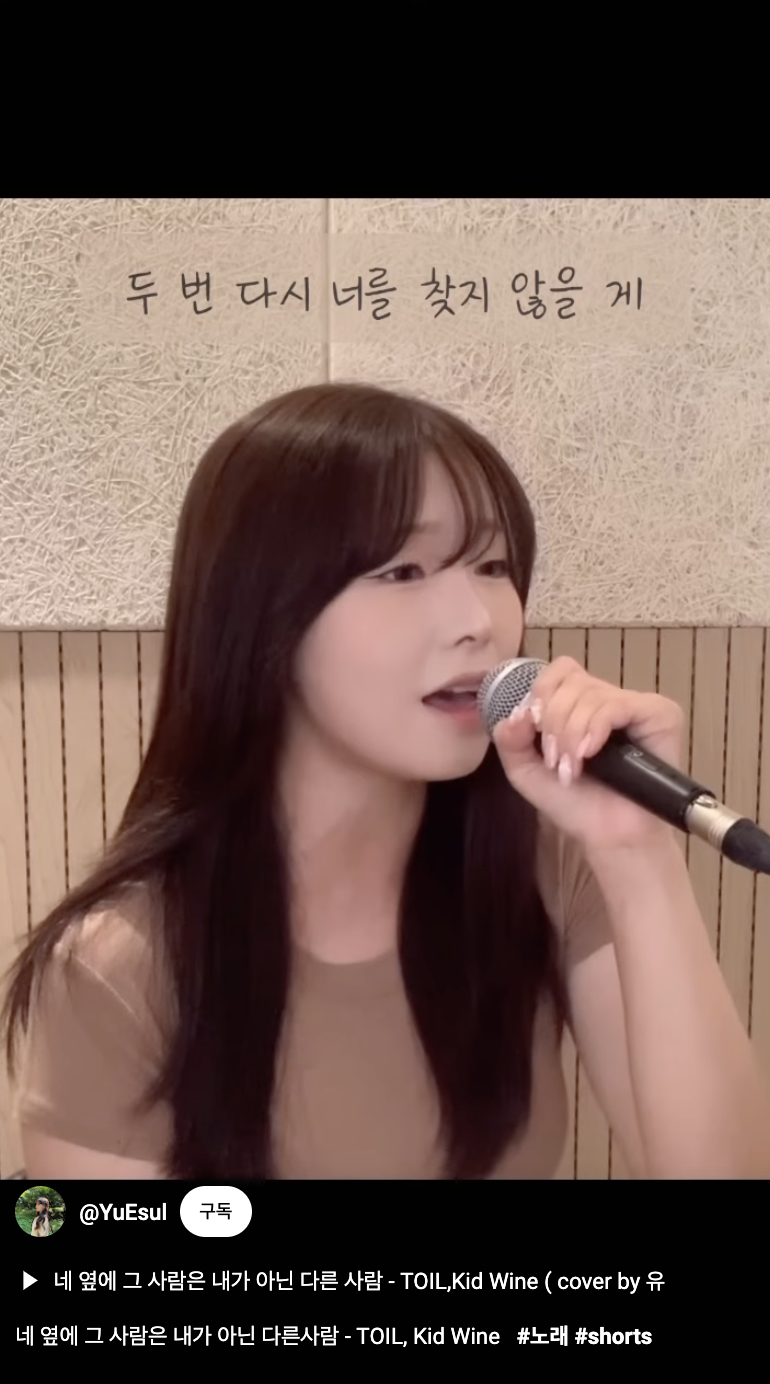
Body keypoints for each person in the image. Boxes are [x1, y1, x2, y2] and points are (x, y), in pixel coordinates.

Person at [3, 381, 770, 1180]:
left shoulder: (544, 870)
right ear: (262, 613)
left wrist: (637, 854)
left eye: (493, 565)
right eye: (404, 572)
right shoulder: (119, 968)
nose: (478, 621)